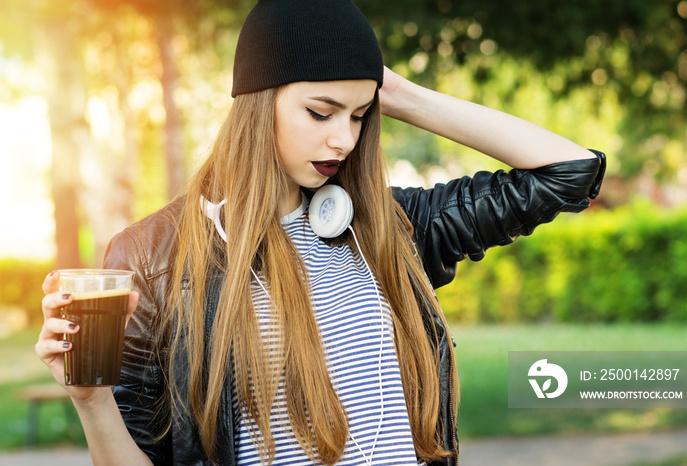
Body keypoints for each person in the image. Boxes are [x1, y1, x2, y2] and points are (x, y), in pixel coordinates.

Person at [36, 0, 606, 465]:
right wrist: (90, 401)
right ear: (260, 103)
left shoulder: (388, 229)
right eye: (321, 111)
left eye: (359, 116)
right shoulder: (155, 258)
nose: (344, 141)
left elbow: (569, 172)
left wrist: (401, 96)